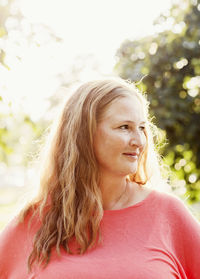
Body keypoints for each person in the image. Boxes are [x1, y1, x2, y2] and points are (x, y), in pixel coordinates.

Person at [0, 77, 200, 279]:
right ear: (84, 134)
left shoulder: (168, 215)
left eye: (141, 128)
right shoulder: (34, 220)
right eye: (124, 127)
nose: (139, 141)